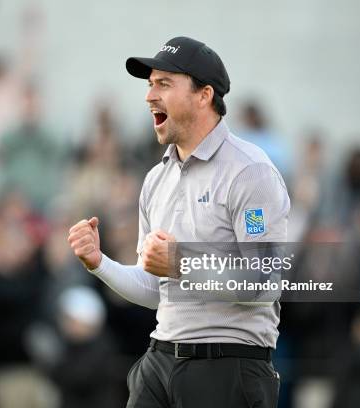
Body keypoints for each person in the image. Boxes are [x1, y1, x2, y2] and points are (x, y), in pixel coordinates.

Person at [67, 37, 290, 407]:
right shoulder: (156, 179)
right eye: (150, 84)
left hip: (229, 366)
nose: (149, 96)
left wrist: (181, 263)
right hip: (160, 360)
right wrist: (100, 264)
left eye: (164, 84)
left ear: (204, 95)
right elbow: (155, 288)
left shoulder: (251, 172)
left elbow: (263, 283)